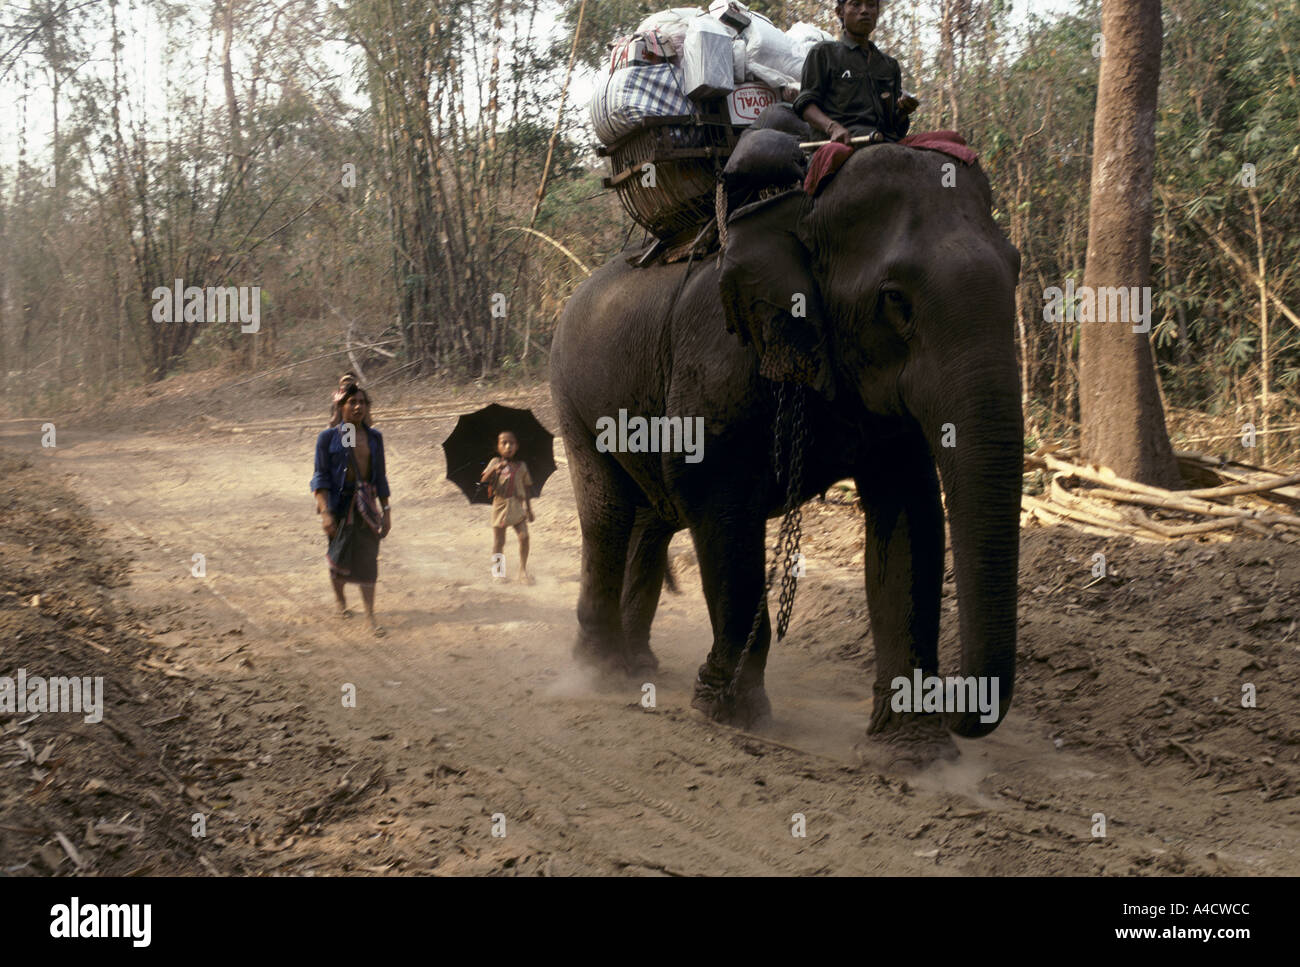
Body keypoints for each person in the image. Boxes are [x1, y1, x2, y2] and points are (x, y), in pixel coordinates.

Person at [311, 382, 392, 636]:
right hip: (338, 505)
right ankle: (341, 602)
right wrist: (325, 512)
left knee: (369, 559)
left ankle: (370, 616)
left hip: (366, 505)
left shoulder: (374, 437)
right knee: (338, 557)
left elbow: (381, 476)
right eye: (351, 402)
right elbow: (320, 477)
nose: (357, 407)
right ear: (341, 406)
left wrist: (387, 509)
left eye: (361, 402)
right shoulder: (329, 437)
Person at [793, 0, 912, 145]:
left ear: (878, 12)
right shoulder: (824, 53)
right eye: (856, 4)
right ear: (840, 12)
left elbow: (895, 127)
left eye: (871, 5)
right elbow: (805, 105)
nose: (864, 11)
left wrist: (903, 112)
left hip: (883, 141)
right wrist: (833, 128)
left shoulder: (889, 65)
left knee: (943, 141)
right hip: (841, 144)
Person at [479, 431, 535, 584]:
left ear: (517, 447)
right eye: (504, 443)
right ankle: (498, 572)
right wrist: (494, 469)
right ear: (498, 447)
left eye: (512, 443)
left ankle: (523, 571)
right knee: (499, 541)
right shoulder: (494, 462)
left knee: (524, 537)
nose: (508, 446)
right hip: (500, 506)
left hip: (517, 506)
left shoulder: (521, 466)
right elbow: (483, 480)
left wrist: (529, 509)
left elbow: (527, 487)